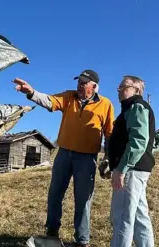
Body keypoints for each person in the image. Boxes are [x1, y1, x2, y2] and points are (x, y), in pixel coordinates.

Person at [12, 69, 115, 247]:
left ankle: (82, 240)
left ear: (94, 86)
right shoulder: (69, 97)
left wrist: (109, 157)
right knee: (55, 194)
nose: (79, 85)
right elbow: (50, 101)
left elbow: (110, 133)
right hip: (64, 154)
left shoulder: (106, 104)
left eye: (83, 82)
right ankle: (51, 233)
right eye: (79, 82)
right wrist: (31, 92)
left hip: (86, 158)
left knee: (83, 199)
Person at [108, 75, 156, 247]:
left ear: (137, 90)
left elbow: (138, 141)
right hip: (136, 169)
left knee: (122, 216)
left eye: (124, 86)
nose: (119, 89)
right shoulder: (130, 109)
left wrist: (122, 168)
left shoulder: (136, 107)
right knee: (139, 215)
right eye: (119, 86)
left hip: (131, 170)